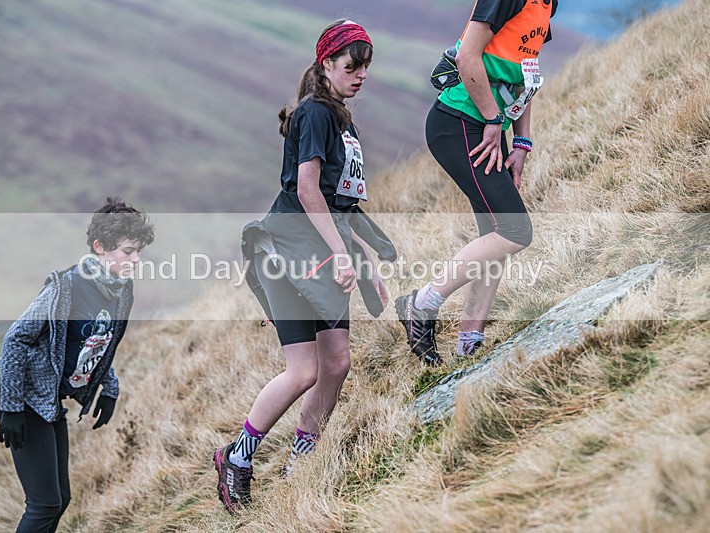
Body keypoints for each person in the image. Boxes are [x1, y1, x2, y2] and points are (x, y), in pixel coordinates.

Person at [214, 20, 396, 514]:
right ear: (326, 66)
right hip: (289, 254)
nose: (360, 76)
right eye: (351, 66)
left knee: (337, 364)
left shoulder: (341, 119)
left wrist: (364, 259)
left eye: (365, 67)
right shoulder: (315, 113)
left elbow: (342, 203)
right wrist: (340, 253)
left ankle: (301, 462)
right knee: (303, 370)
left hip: (321, 253)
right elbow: (308, 188)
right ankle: (237, 457)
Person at [396, 0, 558, 365]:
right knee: (516, 231)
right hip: (458, 123)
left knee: (495, 234)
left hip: (484, 127)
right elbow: (468, 56)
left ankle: (470, 344)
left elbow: (524, 72)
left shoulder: (548, 3)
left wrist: (521, 141)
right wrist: (491, 119)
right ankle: (421, 305)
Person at [0, 197, 154, 532]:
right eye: (128, 252)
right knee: (44, 505)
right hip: (25, 400)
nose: (136, 260)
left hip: (49, 402)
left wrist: (109, 388)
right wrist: (10, 408)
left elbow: (100, 342)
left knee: (60, 499)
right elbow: (15, 340)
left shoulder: (121, 291)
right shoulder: (66, 288)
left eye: (139, 251)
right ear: (100, 247)